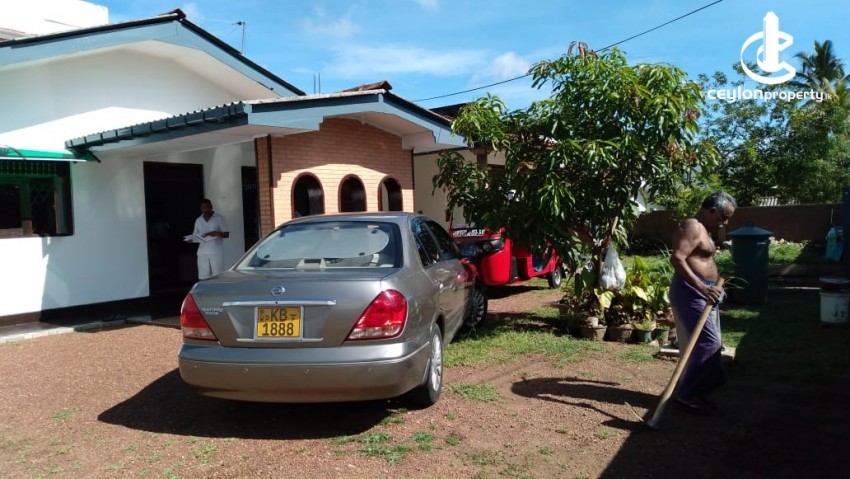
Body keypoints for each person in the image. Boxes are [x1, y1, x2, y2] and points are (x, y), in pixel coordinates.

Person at [669, 191, 736, 413]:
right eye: (723, 217)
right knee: (709, 343)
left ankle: (701, 389)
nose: (724, 223)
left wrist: (712, 287)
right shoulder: (693, 226)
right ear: (711, 211)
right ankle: (687, 394)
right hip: (691, 292)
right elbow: (677, 258)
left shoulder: (704, 230)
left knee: (713, 343)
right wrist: (702, 287)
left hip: (707, 292)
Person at [185, 199, 230, 280]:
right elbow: (195, 235)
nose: (206, 209)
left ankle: (217, 288)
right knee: (203, 276)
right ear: (201, 208)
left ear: (211, 207)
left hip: (215, 251)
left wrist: (216, 233)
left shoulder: (219, 218)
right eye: (204, 208)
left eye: (208, 207)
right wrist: (191, 240)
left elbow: (226, 234)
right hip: (202, 252)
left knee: (218, 274)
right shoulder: (198, 220)